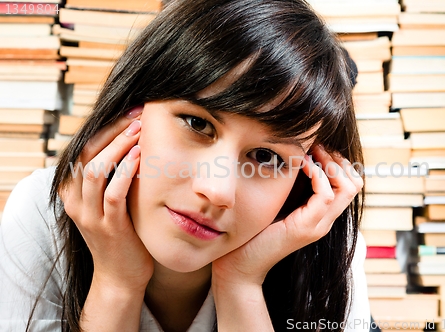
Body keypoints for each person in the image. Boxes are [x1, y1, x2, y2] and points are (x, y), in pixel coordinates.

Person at [0, 0, 370, 331]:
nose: (217, 190)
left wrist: (241, 285)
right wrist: (116, 284)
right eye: (197, 124)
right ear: (131, 110)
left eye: (265, 157)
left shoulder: (326, 245)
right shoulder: (41, 214)